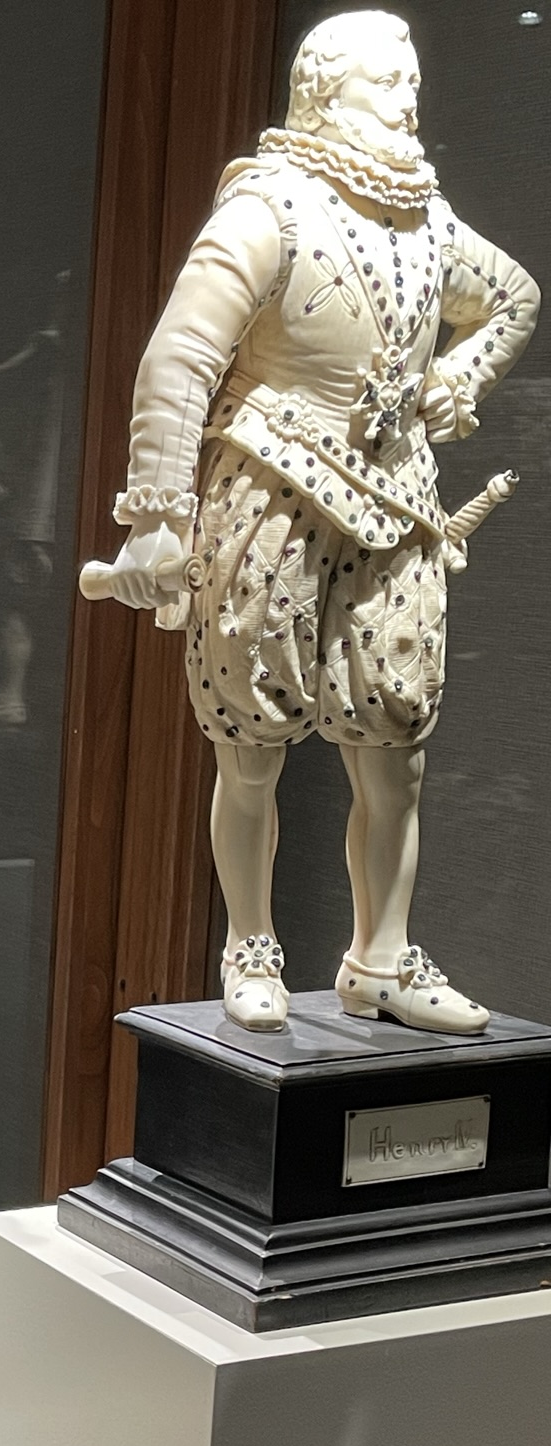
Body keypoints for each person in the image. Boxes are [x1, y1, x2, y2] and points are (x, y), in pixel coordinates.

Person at [83, 9, 537, 1030]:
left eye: (413, 79)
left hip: (398, 501)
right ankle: (249, 942)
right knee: (251, 740)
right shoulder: (271, 207)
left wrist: (459, 374)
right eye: (387, 80)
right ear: (327, 90)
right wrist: (157, 515)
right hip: (271, 491)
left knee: (397, 741)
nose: (409, 98)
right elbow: (179, 358)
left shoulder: (430, 223)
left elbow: (514, 297)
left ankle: (380, 956)